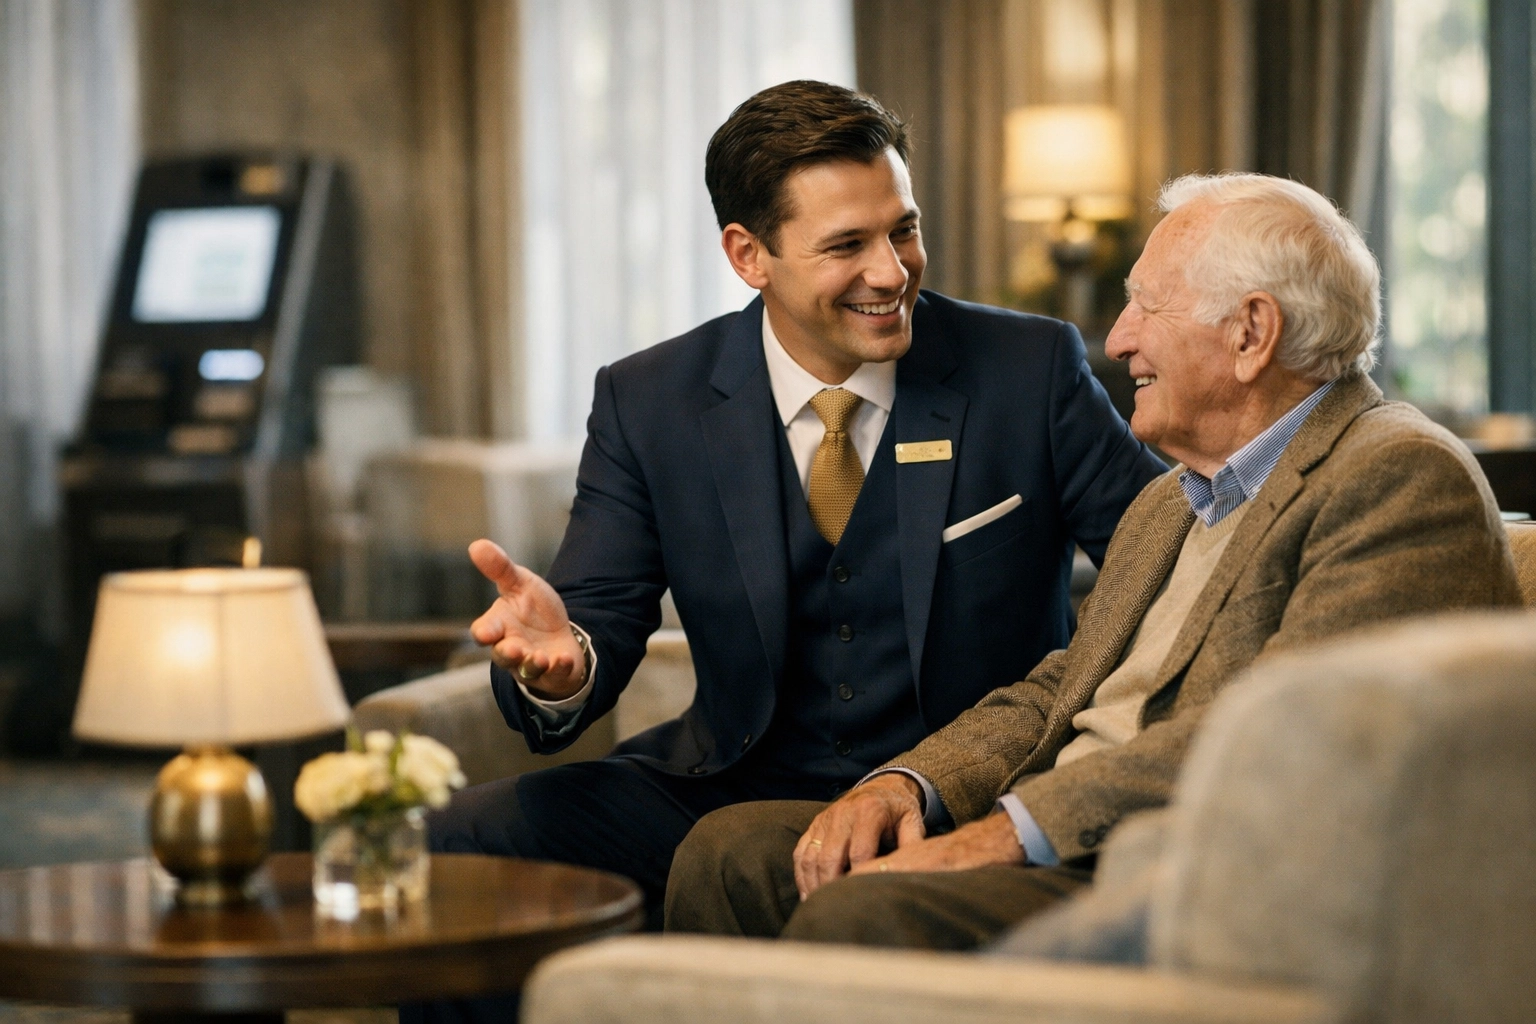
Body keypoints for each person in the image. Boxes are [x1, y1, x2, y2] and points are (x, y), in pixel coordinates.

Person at [665, 171, 1523, 949]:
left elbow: (1287, 743)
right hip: (1059, 835)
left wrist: (1004, 833)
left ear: (1252, 332)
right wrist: (910, 784)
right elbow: (1063, 685)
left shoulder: (1397, 474)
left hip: (1170, 874)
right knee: (731, 851)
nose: (1117, 340)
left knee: (861, 911)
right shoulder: (1174, 497)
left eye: (1148, 307)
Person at [432, 81, 1164, 930]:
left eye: (904, 229)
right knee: (461, 843)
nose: (891, 273)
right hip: (734, 779)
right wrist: (564, 667)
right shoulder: (649, 399)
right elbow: (594, 615)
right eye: (847, 244)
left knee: (740, 854)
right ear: (749, 255)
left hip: (963, 791)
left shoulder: (1027, 368)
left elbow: (1170, 563)